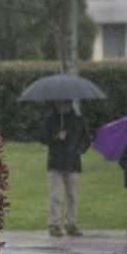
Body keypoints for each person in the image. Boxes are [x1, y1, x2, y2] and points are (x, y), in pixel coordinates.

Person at [41, 99, 90, 237]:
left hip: (73, 163)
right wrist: (56, 136)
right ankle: (54, 224)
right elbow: (43, 138)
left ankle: (71, 224)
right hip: (55, 163)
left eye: (65, 103)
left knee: (72, 196)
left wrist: (79, 150)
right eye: (59, 103)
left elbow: (86, 139)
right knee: (55, 195)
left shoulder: (78, 120)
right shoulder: (50, 120)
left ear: (70, 104)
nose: (62, 106)